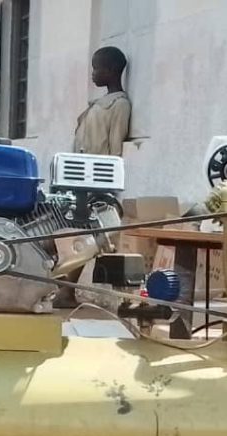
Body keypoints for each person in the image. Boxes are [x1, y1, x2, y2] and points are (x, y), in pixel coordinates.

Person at [56, 46, 132, 308]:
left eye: (96, 68)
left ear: (110, 71)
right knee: (71, 232)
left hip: (97, 182)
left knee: (91, 237)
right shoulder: (100, 104)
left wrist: (109, 187)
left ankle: (68, 291)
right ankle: (63, 288)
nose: (93, 74)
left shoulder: (119, 105)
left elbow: (115, 149)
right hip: (78, 179)